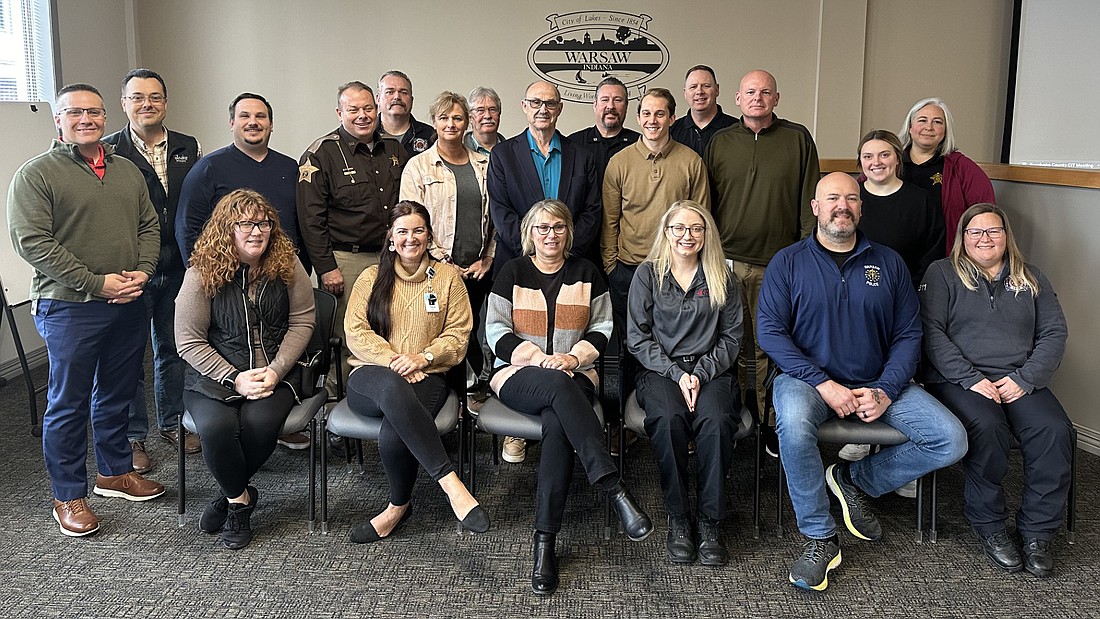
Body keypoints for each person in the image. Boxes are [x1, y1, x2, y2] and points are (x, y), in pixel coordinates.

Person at [757, 172, 966, 591]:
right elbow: (770, 332)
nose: (842, 206)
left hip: (879, 379)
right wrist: (822, 383)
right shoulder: (788, 261)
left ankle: (853, 480)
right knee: (794, 429)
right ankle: (820, 538)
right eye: (832, 198)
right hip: (805, 381)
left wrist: (886, 390)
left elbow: (909, 334)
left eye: (851, 199)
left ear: (861, 208)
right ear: (815, 207)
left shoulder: (888, 263)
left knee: (950, 439)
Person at [8, 83, 166, 537]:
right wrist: (96, 284)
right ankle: (68, 495)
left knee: (117, 392)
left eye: (94, 112)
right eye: (74, 112)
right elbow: (33, 243)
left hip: (129, 301)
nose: (86, 119)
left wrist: (142, 270)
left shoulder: (126, 170)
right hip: (69, 306)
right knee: (69, 402)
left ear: (105, 117)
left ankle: (114, 473)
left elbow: (148, 225)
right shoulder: (35, 175)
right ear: (57, 119)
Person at [485, 199, 652, 595]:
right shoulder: (512, 271)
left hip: (575, 372)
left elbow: (604, 326)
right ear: (530, 233)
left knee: (558, 422)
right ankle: (613, 487)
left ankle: (545, 543)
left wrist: (573, 357)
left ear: (568, 232)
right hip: (517, 374)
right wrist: (539, 360)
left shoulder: (586, 272)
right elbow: (494, 330)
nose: (550, 235)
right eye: (542, 228)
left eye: (558, 227)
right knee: (558, 390)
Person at [920, 204, 1072, 578]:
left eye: (993, 231)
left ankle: (1037, 532)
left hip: (1021, 379)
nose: (984, 239)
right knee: (987, 430)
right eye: (975, 232)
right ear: (963, 238)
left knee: (1054, 431)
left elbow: (1054, 333)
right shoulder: (942, 274)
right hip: (960, 381)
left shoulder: (1032, 277)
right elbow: (930, 332)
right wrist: (970, 378)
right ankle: (990, 526)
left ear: (1006, 237)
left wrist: (1025, 378)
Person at [175, 189, 315, 550]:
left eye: (264, 223)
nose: (257, 231)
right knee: (216, 428)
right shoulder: (200, 273)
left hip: (277, 373)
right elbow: (188, 341)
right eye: (246, 224)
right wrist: (234, 378)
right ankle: (241, 500)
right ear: (226, 228)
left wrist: (277, 369)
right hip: (215, 376)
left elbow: (302, 321)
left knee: (257, 424)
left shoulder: (287, 263)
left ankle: (228, 498)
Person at [343, 201, 489, 543]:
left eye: (419, 230)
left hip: (428, 375)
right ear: (391, 239)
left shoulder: (448, 278)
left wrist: (422, 358)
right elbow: (356, 331)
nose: (411, 238)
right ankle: (452, 485)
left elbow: (458, 334)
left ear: (429, 236)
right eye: (403, 231)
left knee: (395, 433)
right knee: (393, 388)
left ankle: (396, 508)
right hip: (371, 375)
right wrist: (397, 360)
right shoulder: (370, 277)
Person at [176, 92, 312, 451]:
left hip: (277, 276)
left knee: (270, 347)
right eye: (245, 116)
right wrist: (207, 277)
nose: (254, 122)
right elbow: (188, 226)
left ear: (271, 123)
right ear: (231, 122)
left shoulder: (288, 167)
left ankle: (271, 420)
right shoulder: (209, 168)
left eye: (261, 116)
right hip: (222, 278)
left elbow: (305, 222)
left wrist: (297, 272)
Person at [705, 69, 819, 453]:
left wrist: (807, 256)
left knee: (775, 346)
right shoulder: (720, 142)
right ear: (736, 99)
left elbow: (810, 201)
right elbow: (709, 205)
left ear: (776, 98)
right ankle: (738, 414)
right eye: (750, 92)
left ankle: (773, 421)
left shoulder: (797, 138)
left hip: (781, 264)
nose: (758, 98)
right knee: (733, 345)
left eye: (765, 92)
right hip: (729, 262)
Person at [488, 80, 601, 464]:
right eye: (536, 102)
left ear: (560, 108)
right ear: (524, 106)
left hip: (568, 265)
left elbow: (591, 212)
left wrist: (561, 248)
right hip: (520, 264)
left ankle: (556, 424)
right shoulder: (504, 154)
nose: (543, 109)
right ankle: (520, 429)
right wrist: (534, 247)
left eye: (550, 103)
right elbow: (500, 211)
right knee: (521, 335)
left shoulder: (581, 155)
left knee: (567, 335)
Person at [626, 200, 741, 566]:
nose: (687, 235)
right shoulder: (648, 275)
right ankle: (679, 518)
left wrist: (700, 374)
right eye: (679, 228)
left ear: (706, 234)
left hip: (713, 371)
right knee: (669, 420)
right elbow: (637, 338)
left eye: (695, 228)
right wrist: (678, 375)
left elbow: (733, 338)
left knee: (717, 422)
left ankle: (709, 521)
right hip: (661, 371)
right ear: (666, 232)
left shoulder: (723, 276)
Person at [103, 68, 202, 471]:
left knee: (173, 348)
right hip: (129, 270)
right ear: (124, 104)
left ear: (165, 101)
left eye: (155, 97)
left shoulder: (187, 146)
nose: (148, 104)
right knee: (128, 356)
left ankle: (173, 421)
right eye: (138, 97)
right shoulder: (109, 150)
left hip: (177, 265)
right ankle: (132, 437)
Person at [838, 129, 946, 477]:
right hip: (855, 301)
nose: (876, 162)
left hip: (905, 298)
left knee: (899, 372)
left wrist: (908, 291)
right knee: (859, 364)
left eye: (884, 155)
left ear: (897, 159)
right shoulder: (852, 201)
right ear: (860, 163)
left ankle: (897, 450)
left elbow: (933, 251)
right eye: (868, 156)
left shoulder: (921, 200)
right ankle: (863, 434)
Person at [297, 81, 408, 381]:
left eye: (368, 108)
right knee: (349, 335)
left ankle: (386, 398)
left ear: (378, 109)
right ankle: (341, 406)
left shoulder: (395, 149)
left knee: (391, 329)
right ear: (339, 112)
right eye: (353, 109)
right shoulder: (321, 154)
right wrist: (326, 267)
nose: (363, 115)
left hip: (392, 258)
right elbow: (311, 218)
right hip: (346, 261)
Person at [400, 91, 494, 390]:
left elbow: (497, 220)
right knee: (440, 332)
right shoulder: (418, 166)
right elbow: (411, 222)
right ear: (434, 122)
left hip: (477, 269)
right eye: (444, 118)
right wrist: (443, 260)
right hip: (436, 268)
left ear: (468, 122)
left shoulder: (486, 165)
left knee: (472, 329)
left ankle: (471, 394)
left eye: (457, 118)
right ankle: (446, 396)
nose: (451, 124)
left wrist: (488, 257)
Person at [603, 87, 709, 326]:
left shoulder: (692, 162)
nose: (653, 120)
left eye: (660, 114)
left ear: (672, 119)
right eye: (647, 114)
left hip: (676, 268)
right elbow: (610, 220)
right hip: (628, 268)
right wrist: (611, 266)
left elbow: (702, 219)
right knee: (630, 343)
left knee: (671, 339)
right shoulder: (619, 162)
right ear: (639, 118)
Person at [899, 97, 995, 252]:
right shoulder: (890, 163)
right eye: (922, 120)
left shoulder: (961, 167)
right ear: (910, 126)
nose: (929, 127)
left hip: (944, 255)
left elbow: (985, 213)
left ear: (945, 130)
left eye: (937, 122)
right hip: (895, 254)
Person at [567, 76, 640, 191]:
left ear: (626, 106)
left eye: (617, 100)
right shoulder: (574, 144)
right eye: (605, 100)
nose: (611, 106)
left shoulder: (640, 144)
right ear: (595, 105)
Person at [669, 65, 737, 156]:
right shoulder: (671, 131)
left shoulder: (736, 129)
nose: (699, 91)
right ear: (685, 93)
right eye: (693, 87)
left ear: (717, 90)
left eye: (706, 86)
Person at [378, 70, 435, 157]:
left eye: (404, 93)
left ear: (412, 101)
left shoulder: (429, 135)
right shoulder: (367, 133)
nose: (397, 97)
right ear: (378, 99)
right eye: (390, 92)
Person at [465, 86, 504, 155]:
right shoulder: (459, 150)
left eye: (492, 109)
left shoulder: (512, 150)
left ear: (499, 113)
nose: (487, 116)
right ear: (470, 117)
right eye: (480, 110)